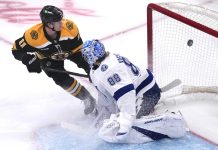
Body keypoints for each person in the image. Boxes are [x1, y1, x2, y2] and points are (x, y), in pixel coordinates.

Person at [81, 39, 188, 143]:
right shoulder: (97, 68)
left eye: (86, 56)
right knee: (118, 120)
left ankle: (172, 121)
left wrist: (125, 122)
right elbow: (106, 96)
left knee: (132, 123)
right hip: (136, 91)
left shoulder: (110, 70)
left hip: (147, 92)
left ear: (92, 57)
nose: (85, 58)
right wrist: (102, 114)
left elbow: (126, 96)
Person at [11, 5, 96, 115]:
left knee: (92, 67)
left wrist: (90, 68)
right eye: (57, 21)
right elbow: (16, 50)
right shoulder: (33, 36)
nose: (61, 22)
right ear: (49, 24)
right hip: (48, 58)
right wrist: (27, 59)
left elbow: (80, 50)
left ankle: (107, 91)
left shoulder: (70, 27)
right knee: (61, 79)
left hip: (72, 51)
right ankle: (87, 99)